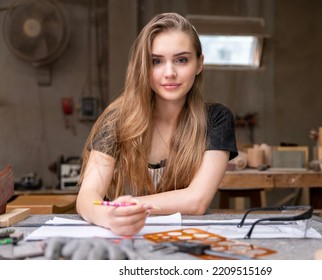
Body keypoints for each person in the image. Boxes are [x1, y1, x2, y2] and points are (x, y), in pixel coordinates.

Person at [76, 12, 238, 236]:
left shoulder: (217, 119)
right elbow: (87, 197)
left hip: (187, 243)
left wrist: (125, 206)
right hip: (124, 237)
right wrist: (108, 216)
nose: (169, 73)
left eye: (182, 60)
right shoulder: (116, 119)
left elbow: (197, 201)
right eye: (156, 61)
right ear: (143, 66)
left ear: (199, 64)